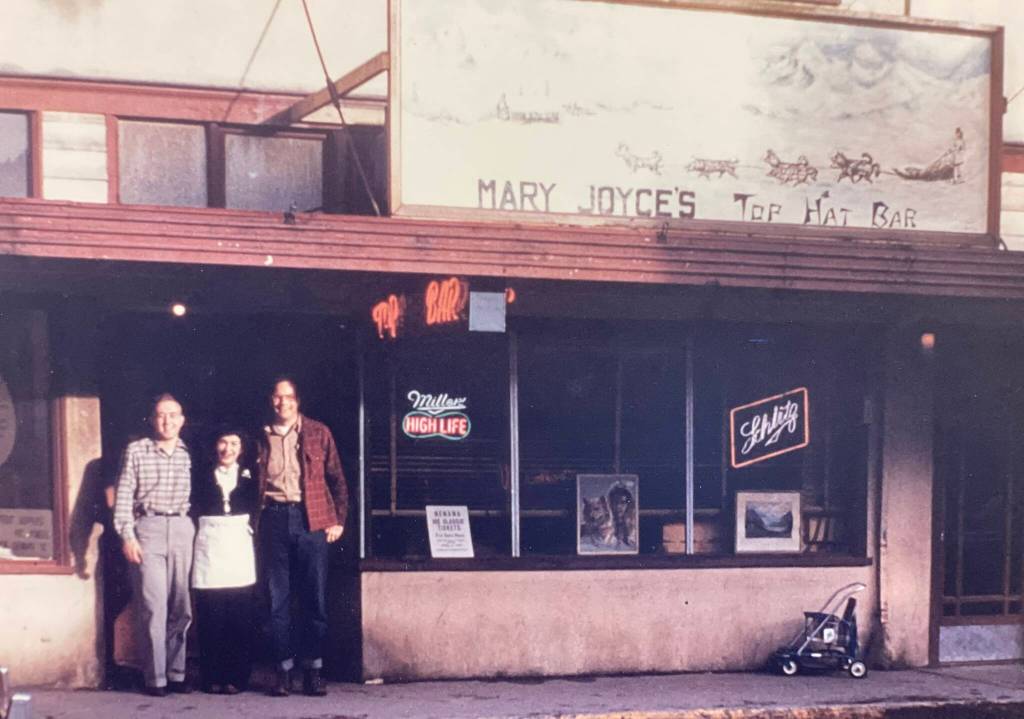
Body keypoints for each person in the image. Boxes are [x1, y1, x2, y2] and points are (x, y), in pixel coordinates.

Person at [256, 376, 348, 697]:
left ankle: (314, 671)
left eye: (289, 397)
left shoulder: (318, 432)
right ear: (271, 400)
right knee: (276, 600)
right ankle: (283, 672)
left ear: (298, 400)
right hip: (273, 519)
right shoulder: (259, 435)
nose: (284, 403)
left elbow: (337, 479)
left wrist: (338, 520)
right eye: (278, 397)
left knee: (315, 599)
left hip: (312, 521)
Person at [112, 393, 194, 697]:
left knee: (181, 605)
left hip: (183, 527)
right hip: (149, 528)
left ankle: (177, 672)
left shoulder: (189, 452)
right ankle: (155, 677)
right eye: (161, 415)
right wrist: (128, 536)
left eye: (173, 415)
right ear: (151, 419)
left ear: (182, 420)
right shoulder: (136, 451)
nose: (167, 421)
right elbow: (123, 495)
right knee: (153, 605)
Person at [191, 428, 259, 694]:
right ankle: (211, 677)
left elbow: (258, 506)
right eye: (222, 442)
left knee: (239, 614)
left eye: (233, 443)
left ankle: (237, 678)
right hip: (210, 544)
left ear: (241, 448)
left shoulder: (252, 476)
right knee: (211, 614)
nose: (227, 449)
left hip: (238, 544)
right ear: (214, 445)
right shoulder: (200, 474)